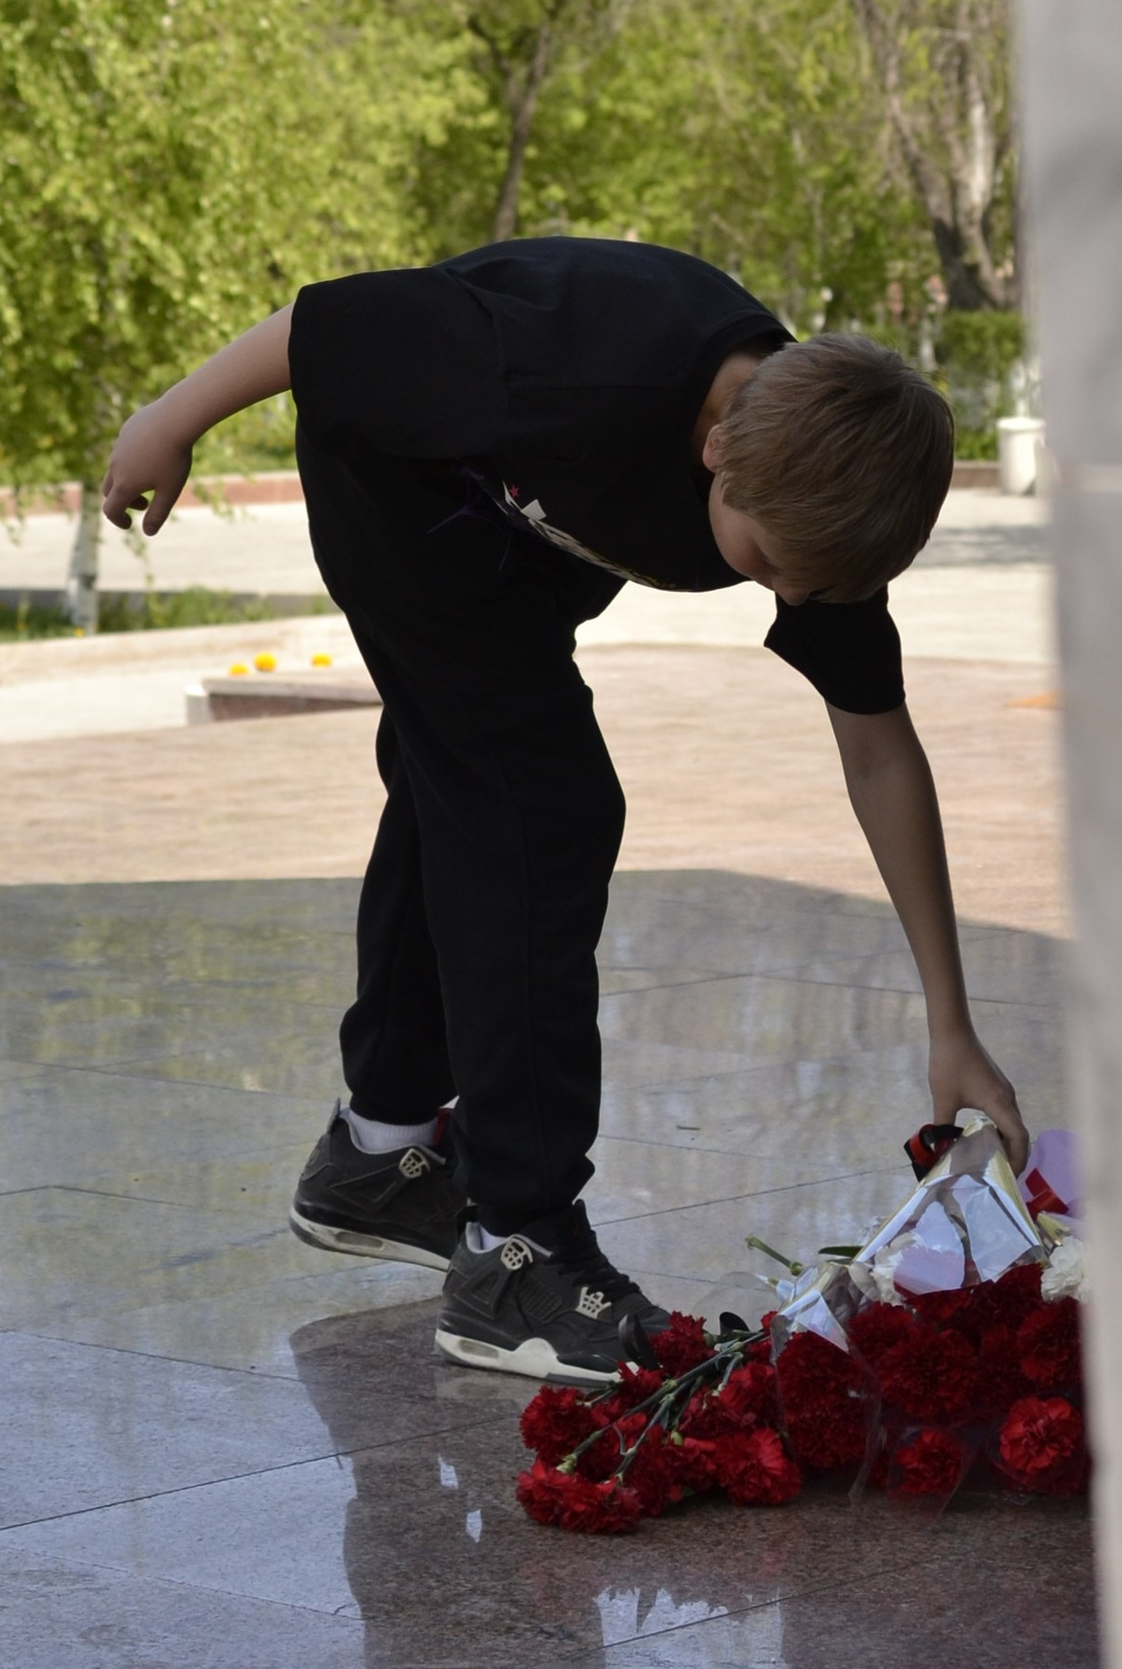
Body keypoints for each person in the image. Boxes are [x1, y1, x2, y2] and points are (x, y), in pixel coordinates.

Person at [102, 236, 1028, 1387]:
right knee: (545, 805)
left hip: (519, 532)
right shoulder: (579, 367)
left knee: (466, 773)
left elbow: (880, 752)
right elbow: (323, 326)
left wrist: (951, 1020)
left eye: (814, 587)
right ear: (713, 450)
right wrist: (170, 418)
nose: (790, 599)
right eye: (768, 566)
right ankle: (519, 1250)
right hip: (399, 491)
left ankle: (378, 1151)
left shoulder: (821, 487)